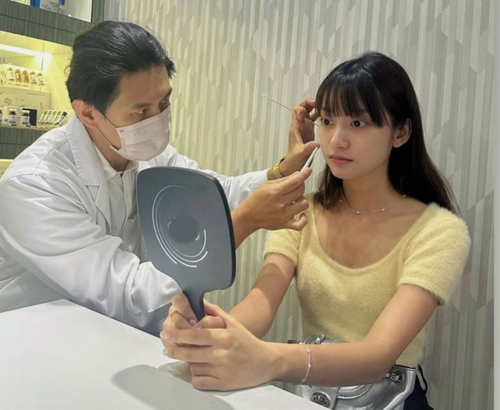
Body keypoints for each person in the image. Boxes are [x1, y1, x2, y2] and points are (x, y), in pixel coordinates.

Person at [160, 52, 471, 409]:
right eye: (326, 120)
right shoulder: (301, 210)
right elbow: (261, 304)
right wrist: (206, 331)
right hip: (314, 397)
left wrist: (270, 359)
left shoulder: (439, 231)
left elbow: (377, 356)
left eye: (358, 123)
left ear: (400, 132)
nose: (336, 140)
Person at [0, 21, 319, 334]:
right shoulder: (34, 186)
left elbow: (214, 193)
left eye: (164, 102)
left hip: (116, 339)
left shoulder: (144, 153)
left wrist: (282, 170)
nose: (157, 120)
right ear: (88, 113)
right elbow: (127, 297)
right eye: (141, 111)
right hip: (40, 343)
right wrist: (242, 223)